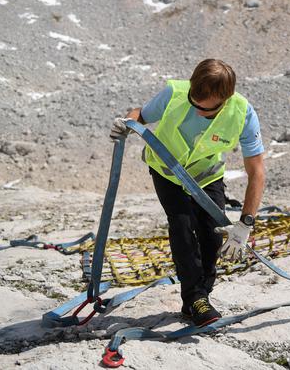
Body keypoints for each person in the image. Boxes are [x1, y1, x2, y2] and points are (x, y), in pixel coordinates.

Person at [110, 59, 265, 327]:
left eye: (207, 109)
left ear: (225, 100)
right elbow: (141, 113)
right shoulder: (175, 93)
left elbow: (257, 172)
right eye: (194, 102)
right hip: (167, 172)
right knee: (182, 225)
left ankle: (198, 296)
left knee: (212, 234)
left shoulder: (243, 114)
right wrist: (127, 123)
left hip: (207, 176)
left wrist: (246, 224)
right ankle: (195, 298)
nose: (197, 110)